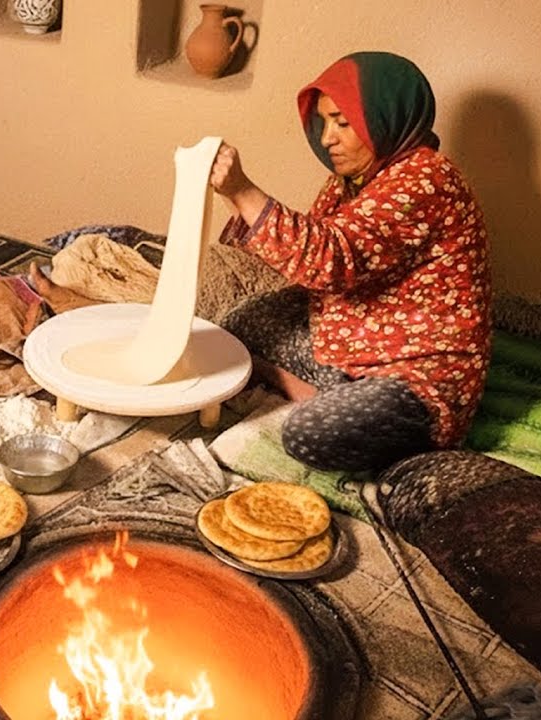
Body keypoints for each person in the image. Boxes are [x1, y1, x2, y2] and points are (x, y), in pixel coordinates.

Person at [209, 51, 492, 471]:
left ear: (385, 116)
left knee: (311, 434)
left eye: (343, 122)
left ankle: (328, 400)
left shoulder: (428, 179)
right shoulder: (355, 179)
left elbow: (330, 260)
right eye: (324, 122)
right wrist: (236, 201)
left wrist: (244, 190)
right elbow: (307, 248)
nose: (327, 138)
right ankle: (317, 387)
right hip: (352, 338)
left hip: (416, 374)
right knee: (237, 327)